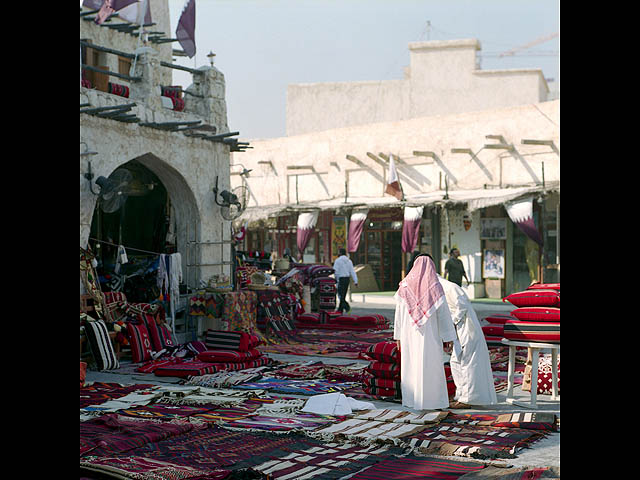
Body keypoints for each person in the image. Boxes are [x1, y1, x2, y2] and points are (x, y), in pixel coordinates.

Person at [393, 254, 458, 410]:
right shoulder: (435, 288)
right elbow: (443, 315)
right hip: (430, 337)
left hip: (409, 336)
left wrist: (398, 336)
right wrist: (447, 337)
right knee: (431, 367)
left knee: (411, 366)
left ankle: (412, 400)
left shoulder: (404, 287)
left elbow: (398, 316)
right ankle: (432, 402)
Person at [438, 274, 497, 408]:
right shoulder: (440, 289)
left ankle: (467, 400)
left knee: (467, 363)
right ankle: (461, 395)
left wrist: (451, 323)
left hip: (467, 329)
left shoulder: (450, 287)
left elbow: (462, 306)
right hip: (458, 331)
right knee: (455, 362)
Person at [333, 248, 358, 314]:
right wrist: (356, 281)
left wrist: (336, 279)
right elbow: (352, 271)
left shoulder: (337, 261)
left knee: (340, 295)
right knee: (343, 295)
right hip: (347, 279)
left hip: (341, 279)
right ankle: (340, 310)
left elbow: (335, 271)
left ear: (340, 253)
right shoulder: (349, 261)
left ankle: (347, 308)